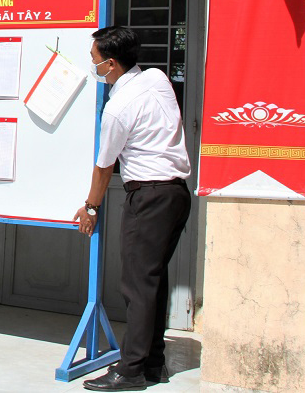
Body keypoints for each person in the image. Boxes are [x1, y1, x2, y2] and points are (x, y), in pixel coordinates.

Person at [73, 26, 192, 391]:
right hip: (176, 195)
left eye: (95, 61)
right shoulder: (155, 78)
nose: (93, 67)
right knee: (152, 279)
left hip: (149, 196)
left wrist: (91, 207)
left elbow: (105, 165)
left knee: (138, 285)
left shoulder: (118, 108)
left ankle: (131, 370)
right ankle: (153, 363)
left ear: (111, 64)